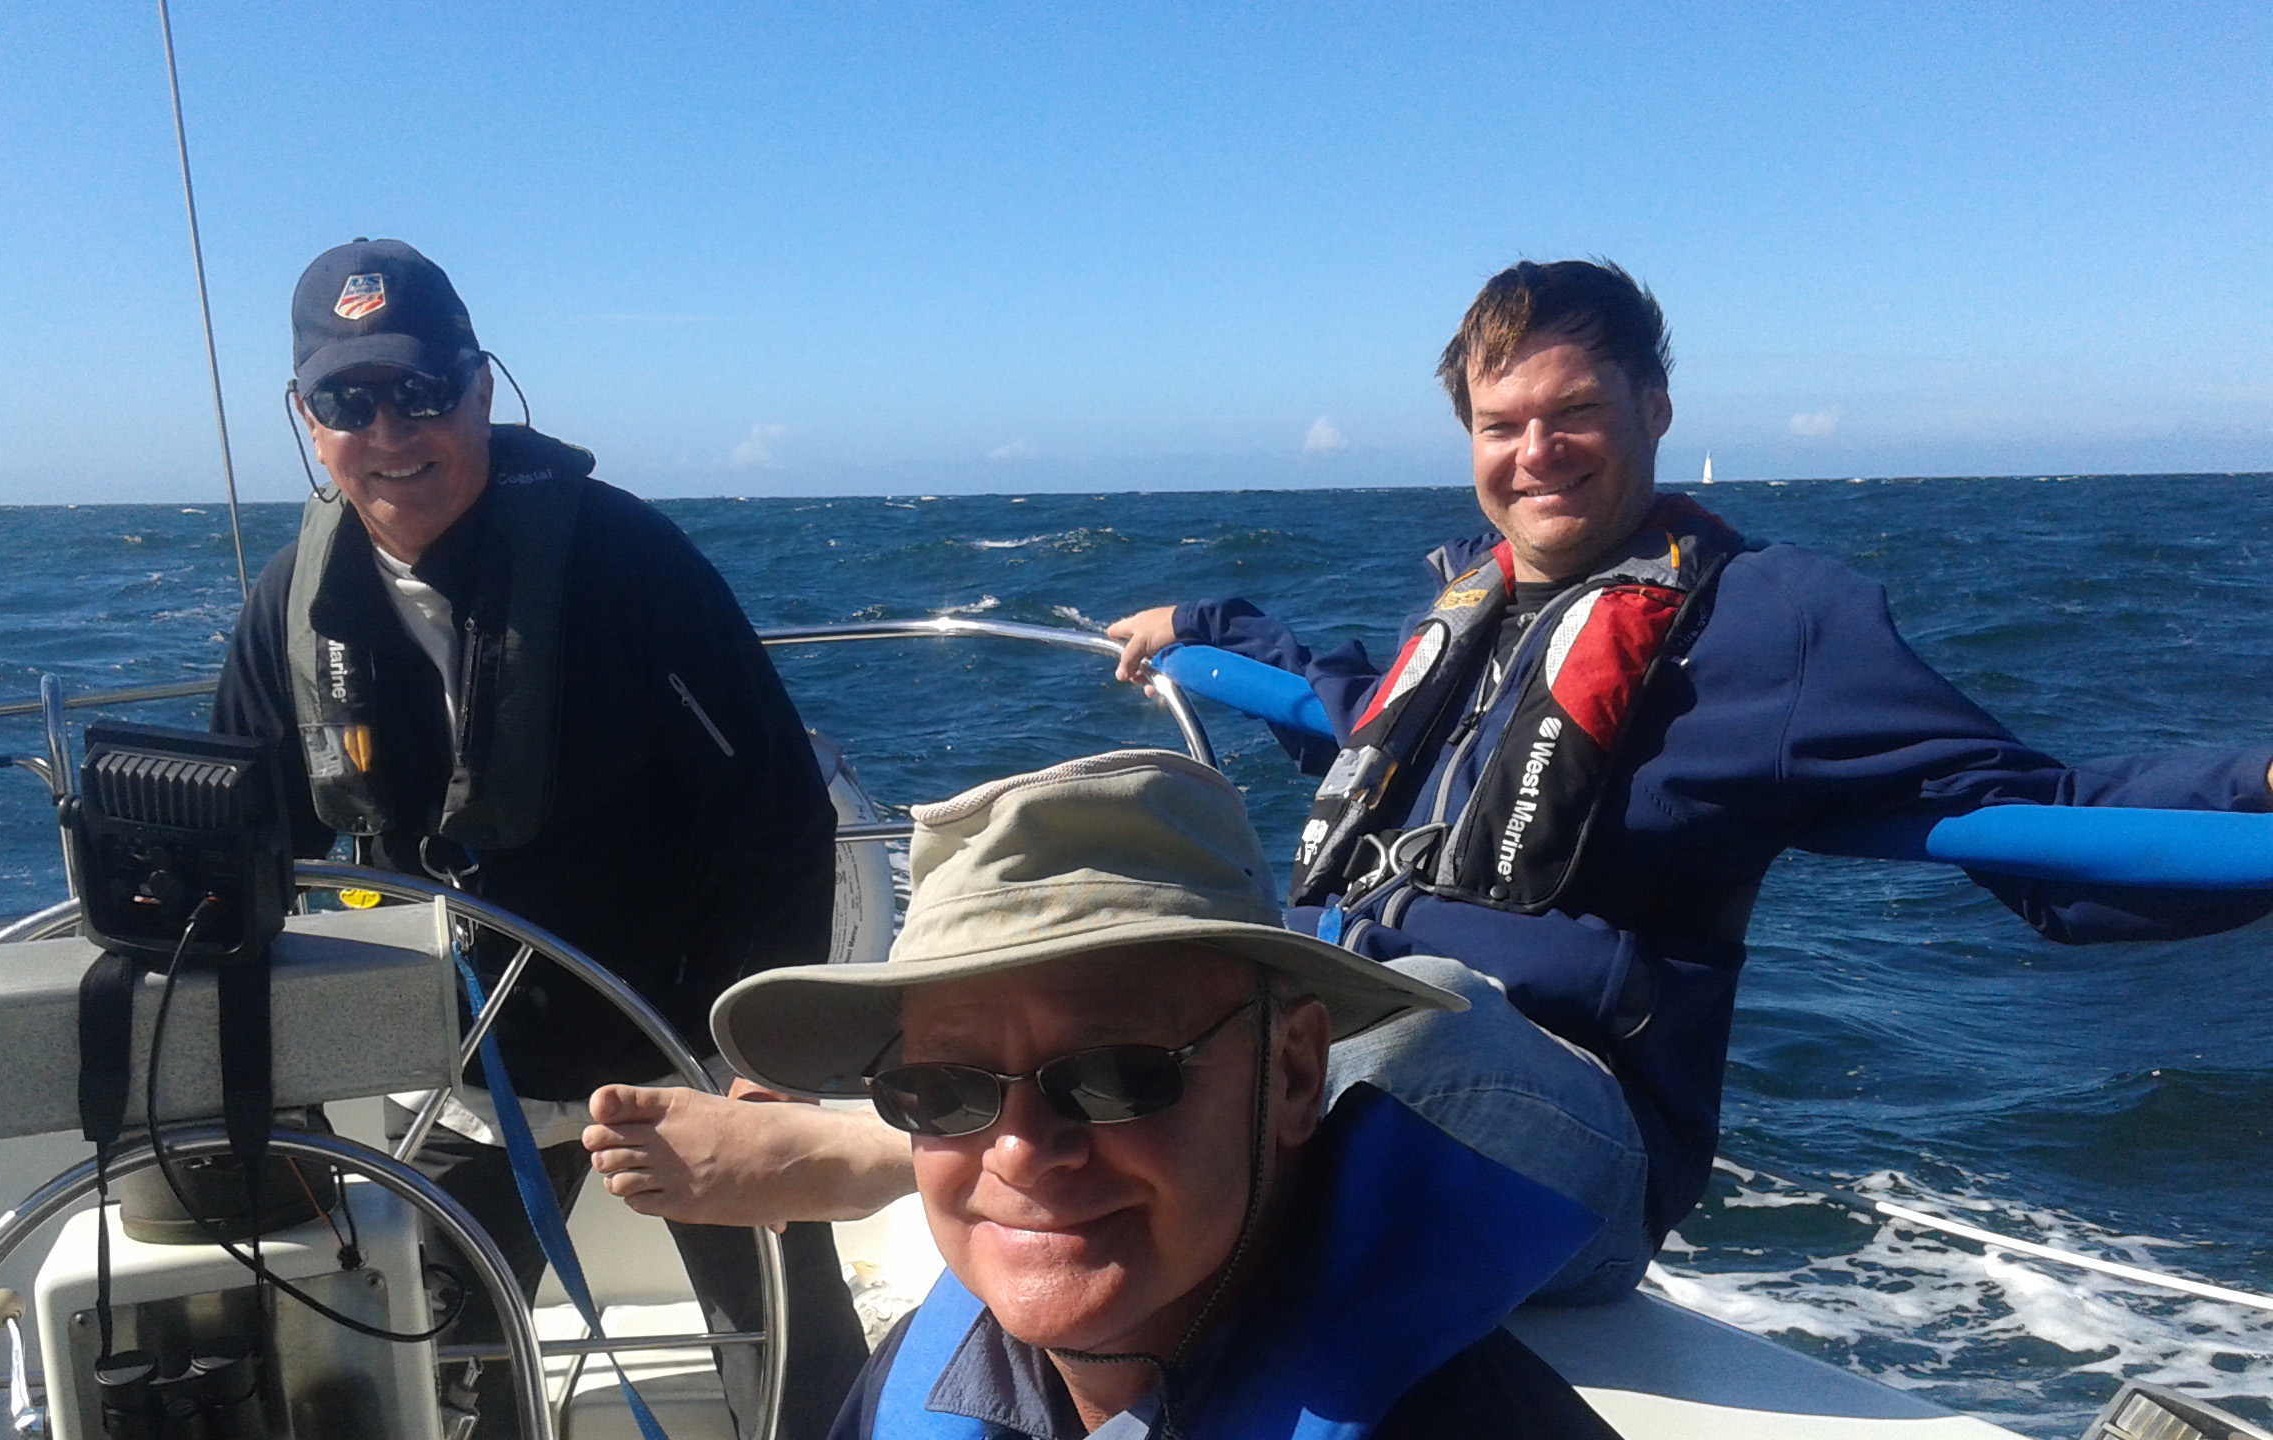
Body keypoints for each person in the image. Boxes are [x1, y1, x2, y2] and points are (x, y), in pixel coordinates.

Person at [1102, 259, 2273, 1303]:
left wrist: (2255, 787)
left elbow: (2029, 814)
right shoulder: (1473, 603)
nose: (1535, 453)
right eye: (1501, 424)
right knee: (1087, 1000)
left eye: (1574, 413)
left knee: (1411, 1042)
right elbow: (1358, 719)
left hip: (1564, 1132)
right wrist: (1200, 626)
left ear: (1652, 411)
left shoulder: (1778, 623)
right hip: (1336, 1049)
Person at [211, 237, 867, 1438]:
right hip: (463, 1069)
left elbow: (774, 814)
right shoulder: (289, 612)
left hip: (678, 1043)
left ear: (479, 389)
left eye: (418, 391)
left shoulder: (628, 566)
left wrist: (757, 1064)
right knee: (453, 1365)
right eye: (346, 400)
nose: (389, 429)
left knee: (790, 1354)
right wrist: (270, 1090)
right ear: (307, 422)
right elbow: (248, 849)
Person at [708, 749, 1623, 1439]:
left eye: (1113, 1074)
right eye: (942, 1092)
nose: (1021, 1150)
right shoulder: (913, 1373)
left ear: (1295, 1073)